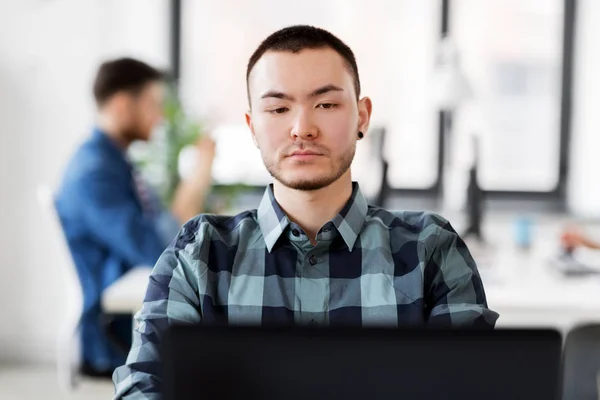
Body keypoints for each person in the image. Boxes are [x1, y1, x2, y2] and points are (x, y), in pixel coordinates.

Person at [113, 26, 498, 397]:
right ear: (252, 126)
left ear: (362, 116)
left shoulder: (430, 249)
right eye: (278, 108)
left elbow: (476, 386)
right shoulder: (198, 253)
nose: (302, 128)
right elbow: (144, 383)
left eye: (326, 104)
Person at [55, 58, 215, 377]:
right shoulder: (94, 174)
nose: (158, 117)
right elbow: (159, 248)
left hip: (136, 311)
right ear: (121, 105)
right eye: (152, 103)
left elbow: (164, 230)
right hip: (117, 332)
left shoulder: (114, 163)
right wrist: (200, 173)